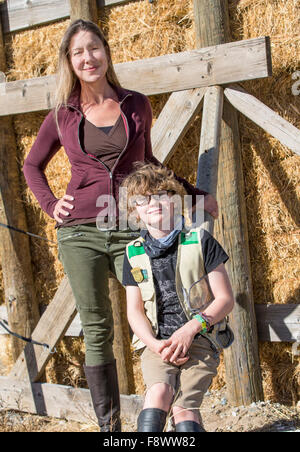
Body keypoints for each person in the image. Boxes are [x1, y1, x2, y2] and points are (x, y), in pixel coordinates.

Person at [23, 19, 218, 432]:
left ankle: (179, 410)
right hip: (79, 232)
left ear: (106, 52)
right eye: (77, 52)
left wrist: (195, 195)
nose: (87, 58)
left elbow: (150, 166)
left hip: (131, 227)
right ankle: (109, 428)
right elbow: (31, 165)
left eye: (93, 48)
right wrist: (50, 204)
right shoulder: (63, 114)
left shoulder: (135, 103)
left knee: (161, 311)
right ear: (69, 62)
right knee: (97, 327)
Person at [122, 163, 234, 432]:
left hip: (199, 340)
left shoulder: (199, 241)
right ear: (134, 211)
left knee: (184, 410)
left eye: (161, 195)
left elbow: (225, 299)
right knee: (158, 394)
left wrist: (190, 330)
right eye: (142, 200)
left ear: (175, 200)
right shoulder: (133, 252)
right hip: (157, 343)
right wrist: (154, 344)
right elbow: (134, 311)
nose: (152, 203)